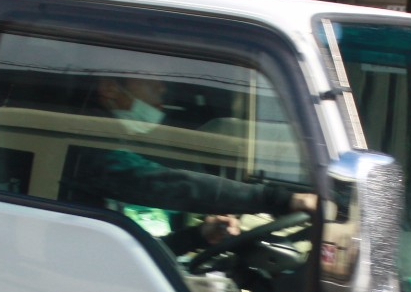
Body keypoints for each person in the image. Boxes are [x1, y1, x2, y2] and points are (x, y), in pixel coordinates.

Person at [61, 74, 317, 252]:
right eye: (150, 78)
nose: (162, 88)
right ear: (109, 88)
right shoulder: (89, 149)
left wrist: (198, 236)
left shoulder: (115, 140)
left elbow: (138, 251)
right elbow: (166, 184)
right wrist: (280, 199)